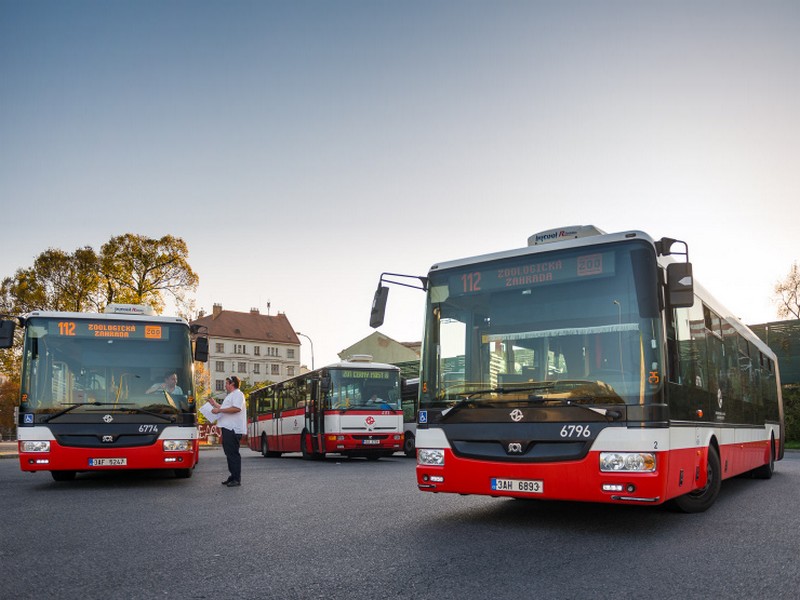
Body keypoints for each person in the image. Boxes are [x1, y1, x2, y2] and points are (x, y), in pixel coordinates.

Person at [208, 375, 247, 487]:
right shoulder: (231, 395)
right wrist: (214, 404)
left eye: (226, 383)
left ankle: (236, 478)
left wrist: (219, 410)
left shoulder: (238, 394)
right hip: (228, 429)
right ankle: (232, 476)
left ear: (232, 384)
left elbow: (236, 408)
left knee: (233, 454)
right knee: (229, 453)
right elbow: (225, 409)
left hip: (233, 429)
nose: (225, 385)